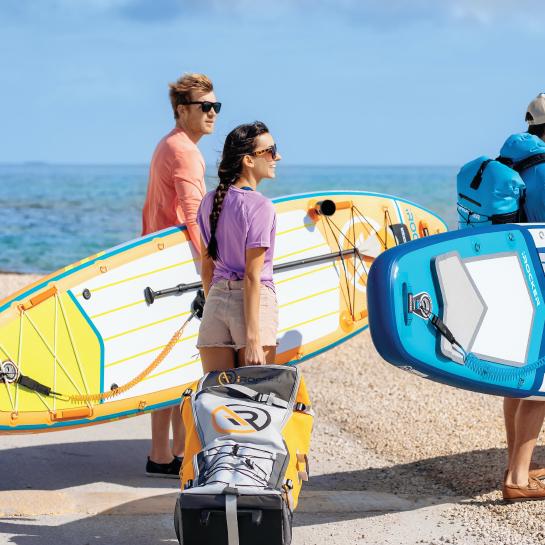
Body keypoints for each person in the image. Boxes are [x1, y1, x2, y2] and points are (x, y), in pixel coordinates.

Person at [141, 73, 220, 477]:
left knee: (169, 359)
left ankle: (165, 452)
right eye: (204, 107)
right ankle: (166, 453)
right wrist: (212, 263)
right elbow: (193, 214)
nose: (212, 114)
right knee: (181, 361)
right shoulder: (185, 151)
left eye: (215, 107)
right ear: (181, 110)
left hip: (159, 261)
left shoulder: (169, 145)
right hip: (177, 265)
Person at [196, 121, 281, 372]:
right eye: (270, 150)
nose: (277, 156)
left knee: (217, 400)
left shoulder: (209, 201)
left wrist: (215, 304)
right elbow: (252, 276)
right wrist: (253, 340)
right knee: (255, 402)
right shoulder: (259, 205)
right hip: (252, 307)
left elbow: (206, 268)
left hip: (216, 302)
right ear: (249, 160)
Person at [501, 93, 545, 501]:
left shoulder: (510, 164)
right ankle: (517, 479)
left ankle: (518, 462)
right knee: (541, 382)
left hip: (511, 277)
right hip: (543, 277)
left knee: (519, 376)